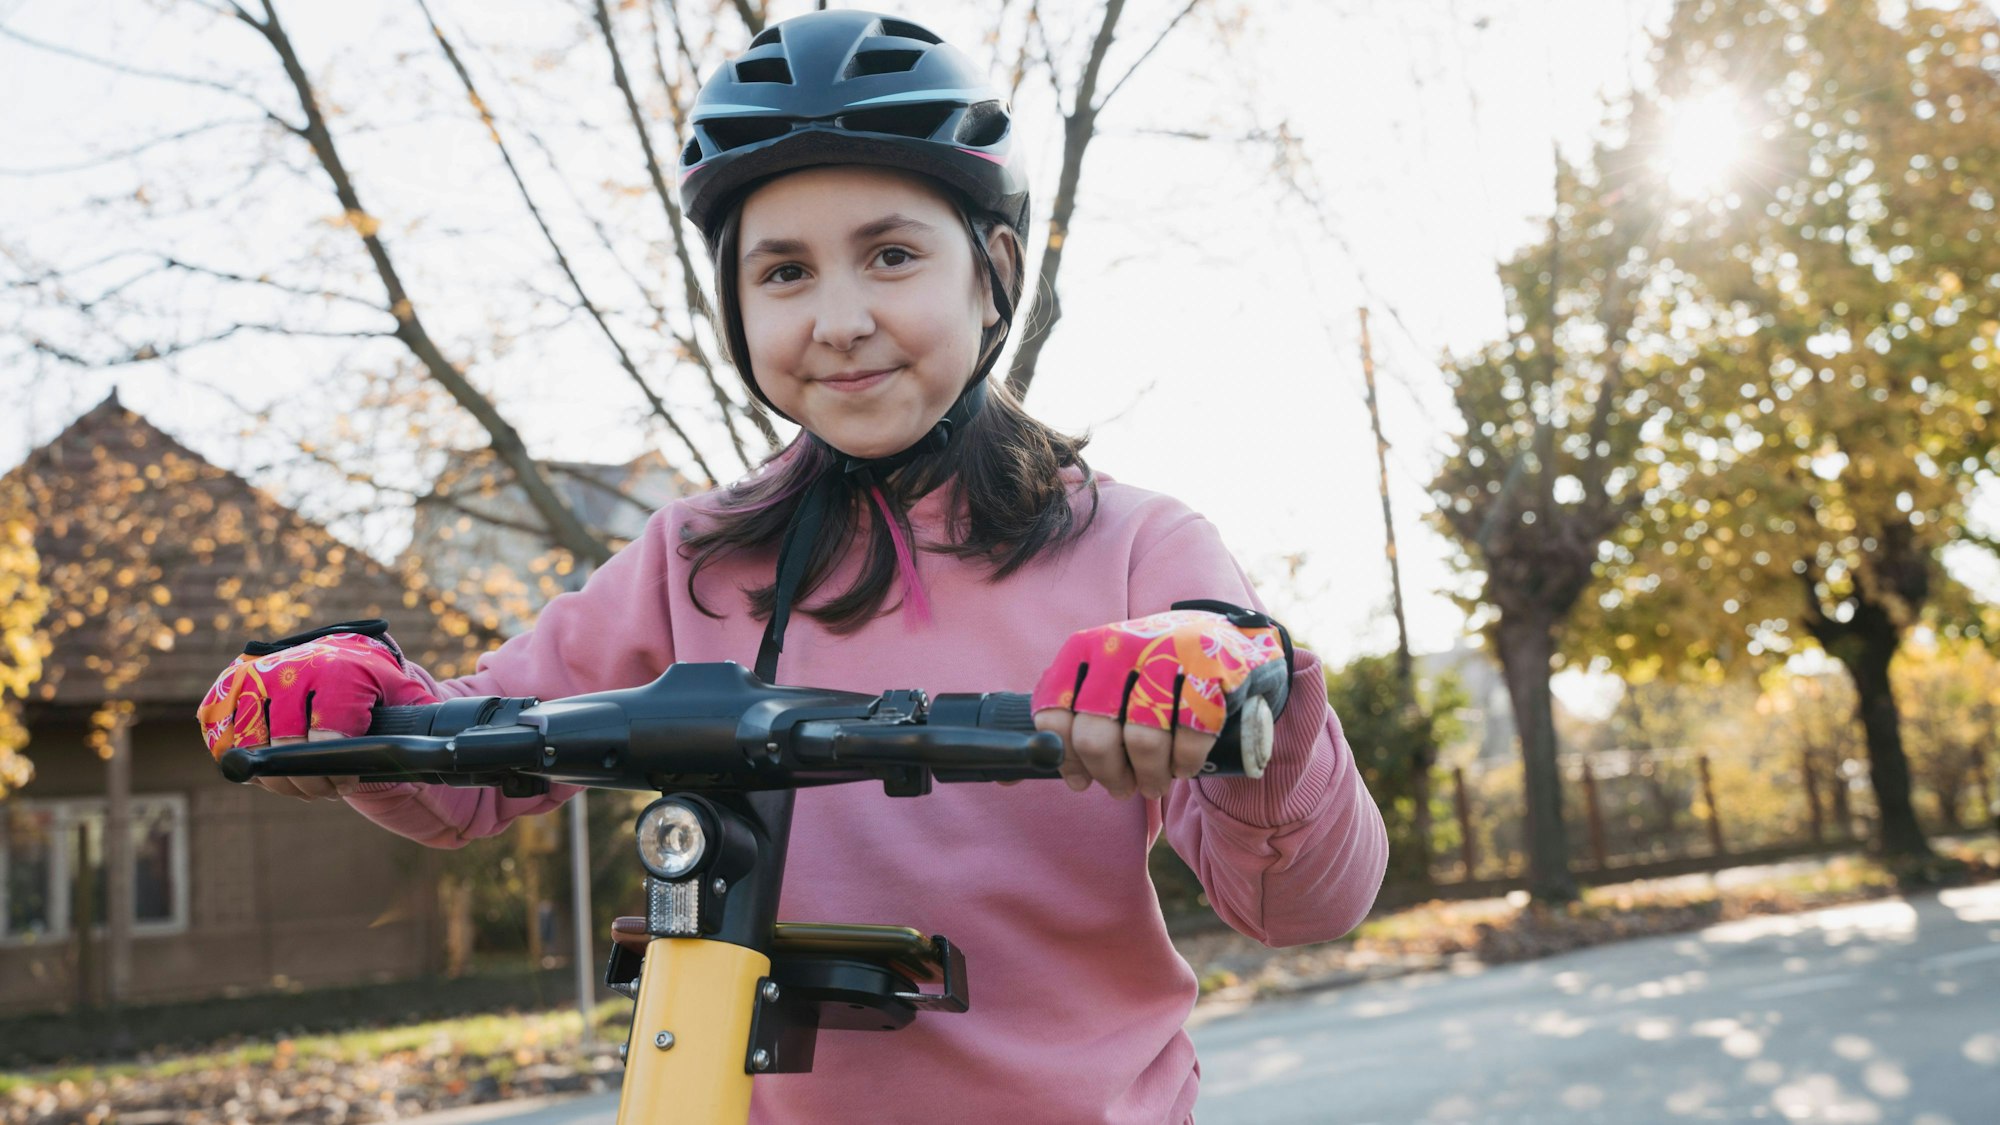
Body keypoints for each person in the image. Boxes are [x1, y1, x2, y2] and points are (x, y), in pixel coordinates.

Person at [197, 10, 1387, 1122]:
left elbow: (1296, 901)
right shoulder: (696, 557)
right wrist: (369, 703)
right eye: (783, 272)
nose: (837, 317)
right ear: (734, 307)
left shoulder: (1134, 548)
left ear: (994, 274)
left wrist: (1243, 698)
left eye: (889, 255)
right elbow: (473, 764)